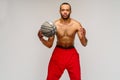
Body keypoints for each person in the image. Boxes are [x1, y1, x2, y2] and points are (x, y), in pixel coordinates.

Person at [38, 2, 88, 80]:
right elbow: (49, 45)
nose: (65, 12)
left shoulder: (76, 25)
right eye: (63, 10)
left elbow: (84, 43)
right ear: (60, 11)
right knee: (50, 78)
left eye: (67, 10)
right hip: (58, 53)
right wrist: (41, 39)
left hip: (72, 54)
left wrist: (84, 36)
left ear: (70, 11)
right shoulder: (54, 25)